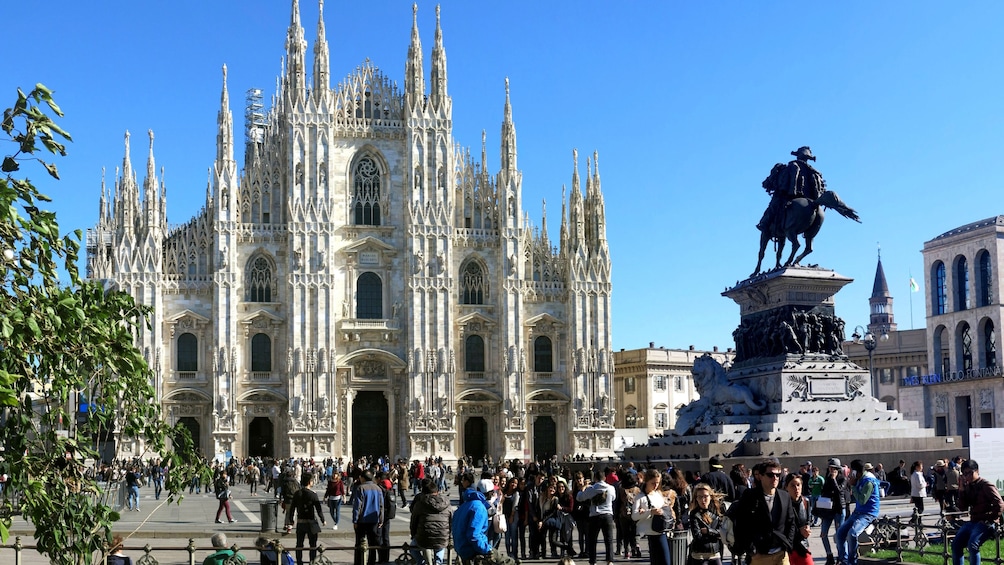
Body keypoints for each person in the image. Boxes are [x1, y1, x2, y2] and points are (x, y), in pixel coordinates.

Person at [728, 459, 795, 565]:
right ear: (761, 476)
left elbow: (791, 522)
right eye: (770, 475)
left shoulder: (785, 496)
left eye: (778, 475)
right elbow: (741, 524)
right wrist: (751, 550)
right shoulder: (750, 496)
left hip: (781, 555)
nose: (775, 478)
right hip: (759, 556)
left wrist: (788, 545)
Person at [952, 459, 1004, 565]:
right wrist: (961, 490)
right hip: (973, 521)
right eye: (965, 474)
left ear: (977, 471)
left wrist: (990, 518)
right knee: (955, 544)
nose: (968, 476)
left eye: (970, 473)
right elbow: (962, 508)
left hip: (986, 522)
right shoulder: (968, 487)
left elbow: (1000, 504)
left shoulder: (986, 485)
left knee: (972, 544)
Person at [835, 460, 880, 565]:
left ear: (857, 472)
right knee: (840, 533)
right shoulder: (860, 479)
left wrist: (853, 486)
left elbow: (862, 500)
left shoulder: (869, 481)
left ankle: (852, 561)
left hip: (868, 513)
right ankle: (844, 559)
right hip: (858, 512)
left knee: (853, 533)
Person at [631, 468, 673, 565]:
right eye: (653, 483)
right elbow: (634, 516)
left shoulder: (658, 494)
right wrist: (650, 512)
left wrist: (663, 510)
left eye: (658, 483)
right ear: (646, 481)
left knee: (666, 561)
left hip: (662, 530)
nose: (656, 485)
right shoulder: (640, 497)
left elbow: (664, 507)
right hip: (651, 532)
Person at [576, 469, 617, 565]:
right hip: (608, 515)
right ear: (605, 478)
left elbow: (580, 497)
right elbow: (614, 498)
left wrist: (583, 487)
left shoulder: (592, 489)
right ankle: (609, 560)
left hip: (595, 515)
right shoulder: (611, 488)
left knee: (592, 540)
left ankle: (593, 561)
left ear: (595, 478)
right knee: (609, 539)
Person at [411, 478, 454, 565]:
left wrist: (413, 535)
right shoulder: (447, 504)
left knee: (412, 547)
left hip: (424, 537)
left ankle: (422, 562)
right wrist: (449, 535)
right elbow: (451, 520)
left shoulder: (420, 504)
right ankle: (438, 562)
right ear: (437, 492)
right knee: (440, 546)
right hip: (442, 536)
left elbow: (413, 522)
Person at [812, 459, 847, 565]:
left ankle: (841, 557)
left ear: (837, 469)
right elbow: (824, 492)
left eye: (833, 468)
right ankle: (829, 555)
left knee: (839, 535)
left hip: (839, 509)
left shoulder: (842, 479)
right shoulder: (827, 478)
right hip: (827, 510)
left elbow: (839, 492)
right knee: (823, 534)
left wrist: (834, 479)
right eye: (830, 468)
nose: (831, 470)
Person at [452, 473, 493, 565]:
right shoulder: (479, 508)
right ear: (488, 492)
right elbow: (474, 535)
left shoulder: (465, 505)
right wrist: (487, 549)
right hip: (472, 552)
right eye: (492, 491)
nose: (493, 494)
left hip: (462, 548)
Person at [290, 473, 326, 565]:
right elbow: (318, 509)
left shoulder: (297, 493)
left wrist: (291, 520)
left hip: (300, 522)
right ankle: (312, 561)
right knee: (312, 545)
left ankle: (299, 562)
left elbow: (292, 508)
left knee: (299, 544)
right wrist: (323, 519)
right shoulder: (313, 494)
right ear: (310, 482)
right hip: (311, 522)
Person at [352, 470, 384, 565]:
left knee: (359, 543)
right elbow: (381, 505)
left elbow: (358, 506)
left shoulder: (361, 488)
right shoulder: (378, 489)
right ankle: (371, 562)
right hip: (374, 519)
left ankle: (359, 562)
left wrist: (355, 520)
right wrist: (381, 519)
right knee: (372, 543)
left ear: (363, 478)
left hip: (362, 520)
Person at [687, 483, 724, 565]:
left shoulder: (716, 512)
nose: (703, 500)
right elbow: (697, 536)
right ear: (696, 498)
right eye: (700, 497)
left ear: (710, 497)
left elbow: (722, 532)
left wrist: (708, 531)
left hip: (715, 553)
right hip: (700, 555)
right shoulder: (694, 514)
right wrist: (715, 534)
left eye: (706, 496)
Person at [784, 474, 812, 565]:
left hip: (802, 546)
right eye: (792, 485)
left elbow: (808, 520)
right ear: (786, 487)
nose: (796, 488)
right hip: (788, 549)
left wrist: (807, 529)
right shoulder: (783, 504)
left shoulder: (805, 501)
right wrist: (799, 532)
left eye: (798, 485)